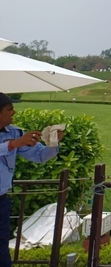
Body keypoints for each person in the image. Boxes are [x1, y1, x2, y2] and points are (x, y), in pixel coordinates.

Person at [0, 93, 63, 267]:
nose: (14, 112)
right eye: (9, 109)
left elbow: (40, 156)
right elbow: (12, 145)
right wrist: (13, 144)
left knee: (1, 248)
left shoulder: (14, 132)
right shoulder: (15, 139)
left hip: (1, 201)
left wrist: (53, 143)